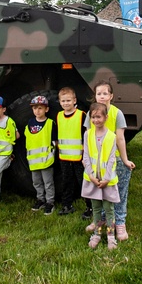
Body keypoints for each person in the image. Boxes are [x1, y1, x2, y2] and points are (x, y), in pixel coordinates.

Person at [84, 81, 136, 241]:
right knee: (99, 194)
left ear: (111, 96)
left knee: (118, 193)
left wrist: (125, 159)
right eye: (98, 93)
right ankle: (100, 221)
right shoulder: (90, 113)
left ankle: (120, 223)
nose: (102, 96)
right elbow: (88, 136)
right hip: (97, 163)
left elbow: (120, 138)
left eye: (105, 93)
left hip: (114, 160)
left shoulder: (116, 113)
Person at [82, 102, 120, 250]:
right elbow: (85, 156)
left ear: (106, 117)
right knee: (96, 208)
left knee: (109, 209)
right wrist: (91, 175)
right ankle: (97, 234)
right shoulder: (88, 134)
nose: (96, 120)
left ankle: (111, 236)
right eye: (93, 117)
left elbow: (111, 159)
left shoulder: (111, 136)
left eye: (98, 117)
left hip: (107, 181)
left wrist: (106, 179)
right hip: (93, 180)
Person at [56, 87, 91, 217]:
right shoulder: (59, 116)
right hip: (64, 157)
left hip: (79, 157)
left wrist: (85, 154)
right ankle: (67, 205)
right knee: (66, 181)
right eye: (63, 101)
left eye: (68, 100)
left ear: (74, 100)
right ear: (60, 102)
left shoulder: (81, 115)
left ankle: (90, 207)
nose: (66, 103)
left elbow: (86, 135)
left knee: (83, 181)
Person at [25, 95, 57, 215]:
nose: (37, 111)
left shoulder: (50, 123)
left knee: (48, 183)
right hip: (33, 161)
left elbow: (55, 141)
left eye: (40, 108)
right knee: (37, 182)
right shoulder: (30, 123)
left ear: (46, 109)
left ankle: (50, 202)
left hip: (46, 160)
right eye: (34, 108)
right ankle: (40, 199)